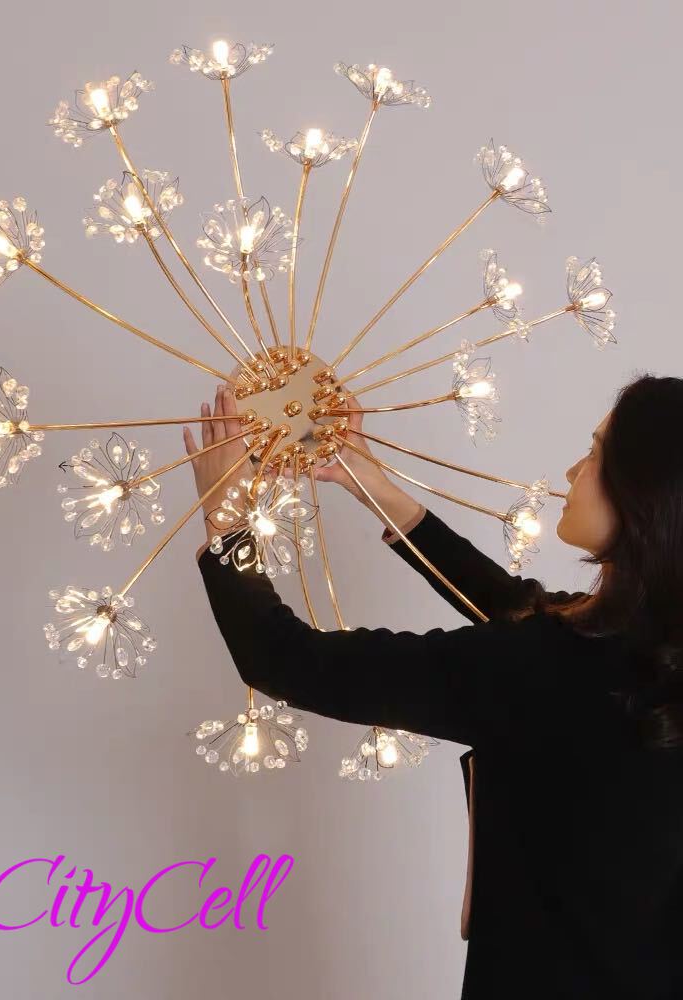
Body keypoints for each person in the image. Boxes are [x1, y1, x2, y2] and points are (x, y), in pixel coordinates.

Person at [183, 374, 683, 1000]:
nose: (573, 470)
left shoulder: (539, 668)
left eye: (595, 454)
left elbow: (284, 658)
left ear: (642, 495)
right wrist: (370, 483)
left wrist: (227, 519)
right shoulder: (650, 653)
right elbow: (522, 609)